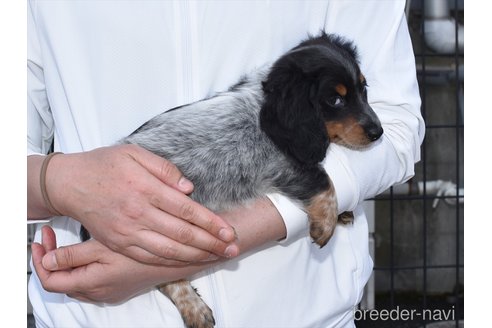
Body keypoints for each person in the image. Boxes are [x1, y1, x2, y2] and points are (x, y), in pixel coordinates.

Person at [27, 1, 425, 327]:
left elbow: (395, 125)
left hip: (302, 316)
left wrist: (179, 249)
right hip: (90, 313)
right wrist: (55, 182)